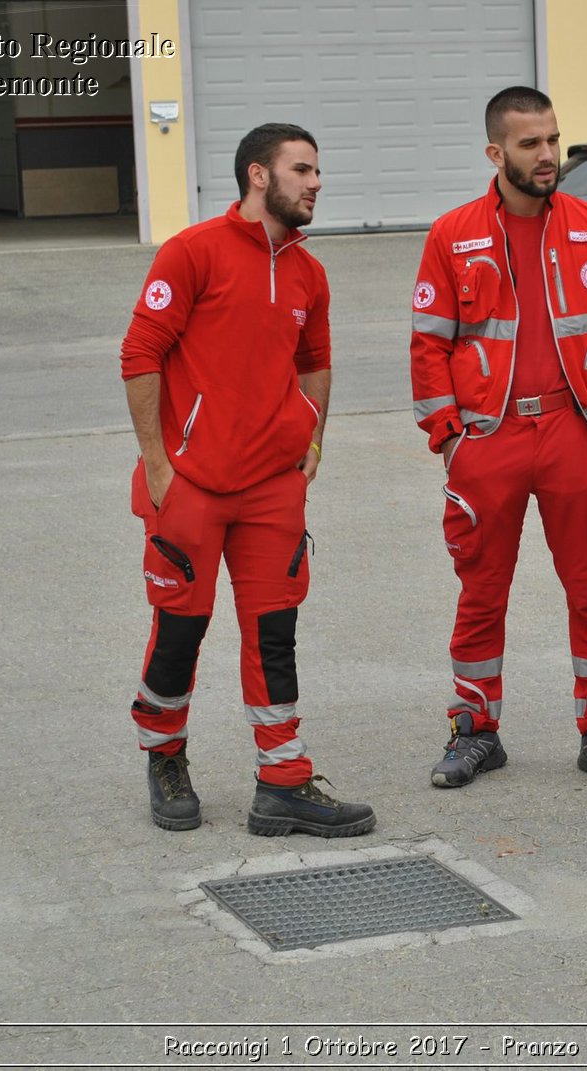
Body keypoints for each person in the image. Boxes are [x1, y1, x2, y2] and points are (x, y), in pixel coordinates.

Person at [118, 123, 375, 838]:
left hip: (272, 489)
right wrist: (159, 465)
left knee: (274, 636)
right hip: (192, 486)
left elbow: (315, 360)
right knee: (180, 631)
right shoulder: (192, 252)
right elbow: (140, 354)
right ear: (259, 176)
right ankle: (165, 756)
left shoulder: (307, 271)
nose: (316, 182)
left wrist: (314, 440)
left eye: (317, 169)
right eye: (303, 170)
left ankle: (283, 779)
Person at [410, 86, 587, 790]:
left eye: (552, 140)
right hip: (488, 439)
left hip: (573, 433)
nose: (547, 155)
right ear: (496, 153)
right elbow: (428, 349)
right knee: (481, 592)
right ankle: (475, 729)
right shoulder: (450, 234)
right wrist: (451, 438)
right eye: (530, 144)